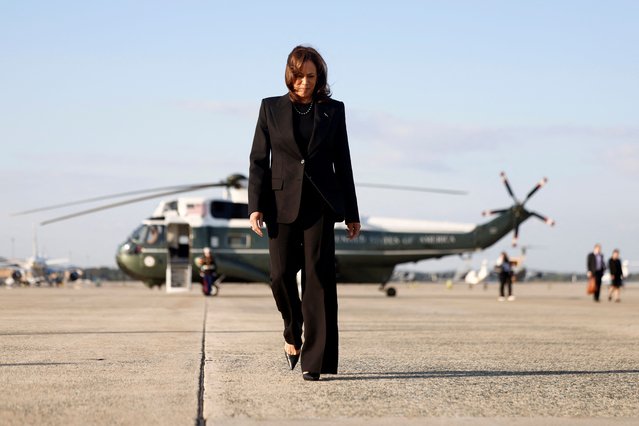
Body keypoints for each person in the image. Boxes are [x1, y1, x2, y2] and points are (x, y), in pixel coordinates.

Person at [248, 45, 361, 382]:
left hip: (320, 206)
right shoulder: (270, 108)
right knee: (279, 275)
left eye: (311, 76)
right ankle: (291, 328)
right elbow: (258, 161)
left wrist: (351, 212)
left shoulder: (333, 110)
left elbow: (343, 162)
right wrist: (255, 206)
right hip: (280, 204)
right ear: (290, 74)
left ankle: (314, 361)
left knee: (318, 281)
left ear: (319, 77)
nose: (305, 83)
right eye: (299, 76)